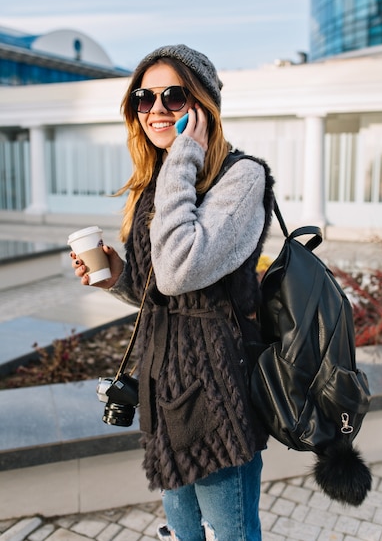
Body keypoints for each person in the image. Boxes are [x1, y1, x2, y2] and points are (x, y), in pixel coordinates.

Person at [70, 44, 275, 541]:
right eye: (144, 98)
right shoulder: (156, 182)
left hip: (217, 388)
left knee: (230, 533)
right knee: (184, 531)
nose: (156, 110)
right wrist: (116, 275)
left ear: (203, 106)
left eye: (174, 96)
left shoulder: (241, 177)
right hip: (163, 386)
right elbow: (156, 289)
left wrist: (185, 154)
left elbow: (180, 271)